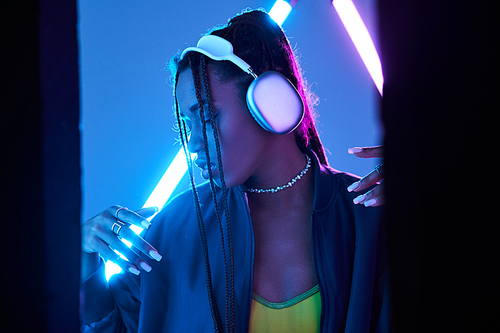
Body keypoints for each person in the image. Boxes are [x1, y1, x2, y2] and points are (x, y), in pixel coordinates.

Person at [80, 9, 390, 332]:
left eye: (208, 117)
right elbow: (112, 325)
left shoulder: (364, 217)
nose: (195, 143)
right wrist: (84, 261)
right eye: (187, 126)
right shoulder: (174, 229)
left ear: (270, 103)